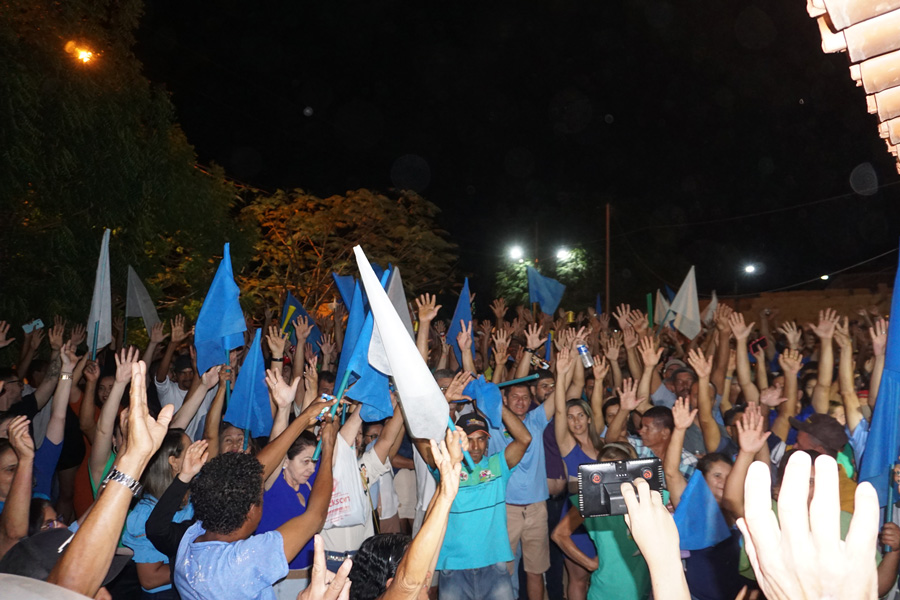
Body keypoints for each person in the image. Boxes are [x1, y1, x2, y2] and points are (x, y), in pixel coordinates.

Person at [173, 413, 339, 600]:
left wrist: (304, 418)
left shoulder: (193, 536)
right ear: (250, 511)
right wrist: (329, 447)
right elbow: (315, 517)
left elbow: (253, 473)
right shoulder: (244, 561)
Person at [415, 380, 532, 600]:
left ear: (487, 441)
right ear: (458, 441)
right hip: (454, 568)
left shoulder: (497, 466)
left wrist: (495, 405)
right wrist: (444, 404)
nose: (476, 447)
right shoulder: (445, 468)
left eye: (481, 439)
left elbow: (525, 439)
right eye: (469, 440)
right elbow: (421, 438)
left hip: (494, 566)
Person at [348, 429, 463, 600]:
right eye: (411, 558)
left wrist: (450, 470)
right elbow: (408, 582)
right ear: (390, 583)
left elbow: (436, 534)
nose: (423, 565)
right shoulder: (406, 590)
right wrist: (446, 496)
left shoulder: (418, 587)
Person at [551, 442, 651, 600]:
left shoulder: (645, 497)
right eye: (605, 470)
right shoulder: (592, 501)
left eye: (615, 469)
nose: (611, 477)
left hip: (642, 589)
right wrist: (590, 564)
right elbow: (559, 535)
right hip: (605, 592)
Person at [551, 346, 606, 600]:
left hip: (605, 519)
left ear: (588, 418)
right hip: (576, 519)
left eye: (580, 415)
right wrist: (561, 375)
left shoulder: (602, 446)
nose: (575, 421)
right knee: (578, 578)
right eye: (571, 417)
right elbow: (559, 412)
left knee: (603, 575)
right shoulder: (567, 446)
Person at [123, 428, 193, 598]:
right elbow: (150, 579)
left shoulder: (191, 492)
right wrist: (202, 562)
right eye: (190, 450)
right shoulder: (146, 514)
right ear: (174, 462)